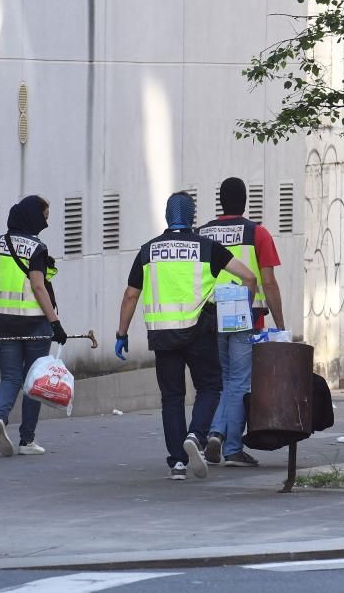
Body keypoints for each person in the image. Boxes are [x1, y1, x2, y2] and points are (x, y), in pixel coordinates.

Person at [114, 191, 257, 480]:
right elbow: (249, 277)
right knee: (210, 386)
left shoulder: (148, 251)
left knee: (172, 397)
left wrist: (122, 333)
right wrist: (244, 309)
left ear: (167, 216)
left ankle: (177, 463)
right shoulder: (208, 248)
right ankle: (196, 436)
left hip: (162, 336)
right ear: (192, 216)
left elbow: (131, 295)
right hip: (198, 332)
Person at [198, 177, 285, 468]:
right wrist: (280, 324)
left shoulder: (202, 233)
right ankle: (232, 447)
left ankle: (215, 434)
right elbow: (269, 283)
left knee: (221, 381)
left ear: (220, 202)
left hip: (210, 318)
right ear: (245, 201)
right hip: (244, 316)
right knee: (239, 381)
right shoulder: (257, 233)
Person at [0, 195, 68, 457]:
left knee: (10, 376)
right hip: (34, 323)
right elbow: (37, 286)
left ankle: (0, 417)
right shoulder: (37, 247)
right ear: (33, 216)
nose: (46, 223)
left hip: (3, 321)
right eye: (44, 217)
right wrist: (55, 323)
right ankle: (27, 440)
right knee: (35, 380)